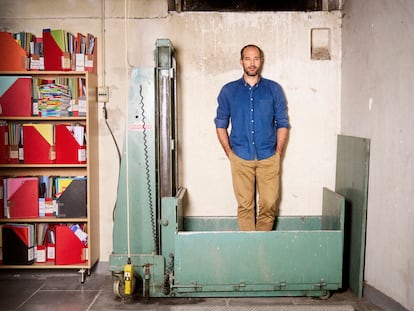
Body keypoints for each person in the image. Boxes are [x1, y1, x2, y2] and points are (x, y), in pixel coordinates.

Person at [214, 44, 290, 231]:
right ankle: (249, 253)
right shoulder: (228, 91)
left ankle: (261, 251)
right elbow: (220, 124)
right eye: (247, 59)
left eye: (256, 58)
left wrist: (278, 152)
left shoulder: (274, 89)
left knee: (269, 205)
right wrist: (230, 153)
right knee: (245, 207)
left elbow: (282, 123)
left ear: (261, 61)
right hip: (240, 156)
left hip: (268, 157)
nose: (252, 63)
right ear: (241, 61)